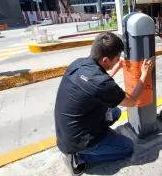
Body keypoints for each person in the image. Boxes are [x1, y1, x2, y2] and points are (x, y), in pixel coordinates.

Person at [54, 32, 156, 175]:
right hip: (78, 140)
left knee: (116, 112)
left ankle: (100, 138)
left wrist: (117, 68)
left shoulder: (79, 63)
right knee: (128, 147)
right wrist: (145, 74)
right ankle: (79, 157)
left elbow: (96, 85)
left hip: (66, 131)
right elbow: (132, 101)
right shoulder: (102, 83)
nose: (119, 59)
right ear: (106, 59)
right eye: (117, 58)